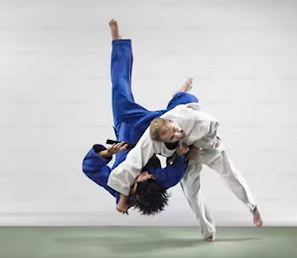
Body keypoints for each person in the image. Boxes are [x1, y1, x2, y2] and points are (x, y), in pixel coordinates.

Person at [106, 20, 263, 242]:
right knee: (192, 190)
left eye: (176, 130)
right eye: (138, 179)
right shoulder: (158, 153)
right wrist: (181, 152)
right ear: (148, 178)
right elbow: (133, 162)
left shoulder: (186, 120)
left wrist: (121, 199)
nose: (138, 175)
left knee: (228, 173)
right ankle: (209, 230)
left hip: (178, 132)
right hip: (160, 130)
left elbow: (204, 122)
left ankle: (252, 206)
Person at [82, 19, 198, 216]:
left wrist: (107, 154)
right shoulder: (161, 180)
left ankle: (118, 43)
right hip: (153, 132)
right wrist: (182, 154)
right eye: (148, 176)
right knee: (186, 108)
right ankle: (178, 96)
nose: (145, 173)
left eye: (142, 177)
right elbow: (179, 166)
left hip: (127, 128)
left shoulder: (117, 188)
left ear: (133, 190)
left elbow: (89, 169)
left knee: (120, 87)